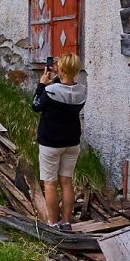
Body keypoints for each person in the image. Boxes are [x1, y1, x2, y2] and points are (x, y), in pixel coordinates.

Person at [31, 53, 87, 231]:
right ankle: (66, 221)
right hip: (72, 142)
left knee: (50, 183)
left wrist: (41, 84)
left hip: (51, 142)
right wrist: (58, 78)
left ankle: (53, 223)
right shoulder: (82, 91)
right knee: (66, 182)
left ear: (61, 69)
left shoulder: (50, 91)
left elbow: (35, 105)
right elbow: (67, 91)